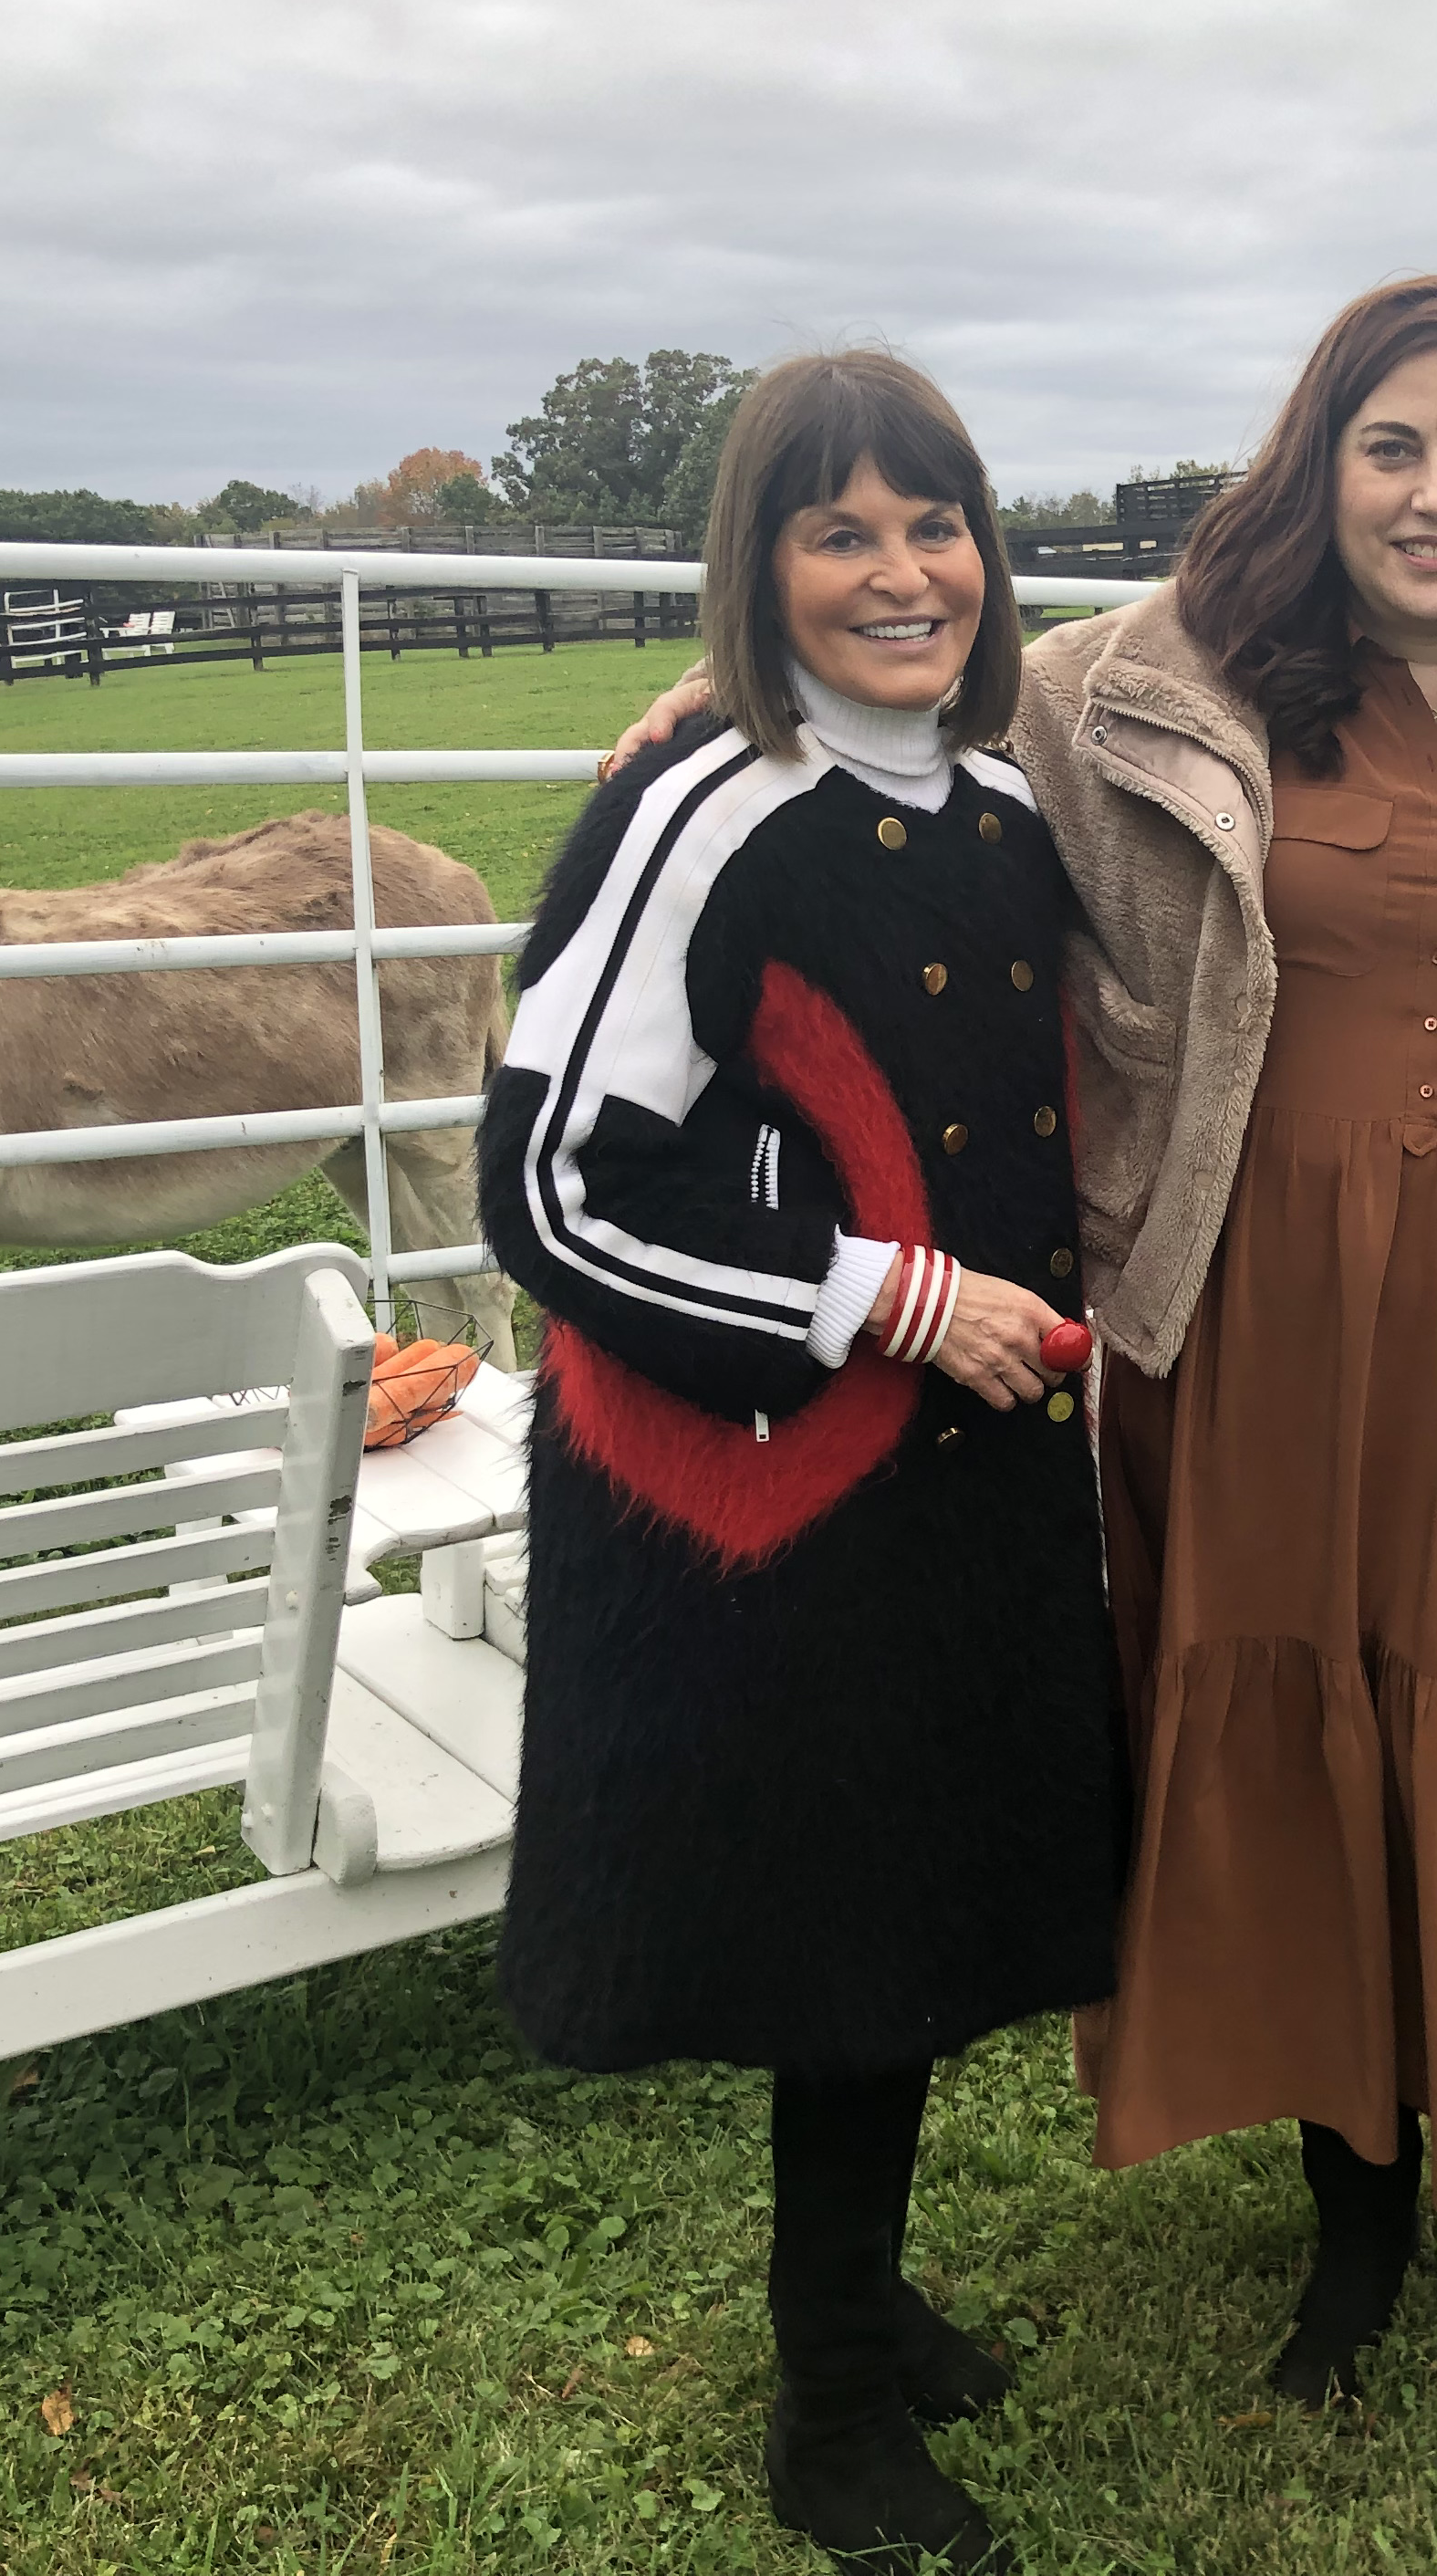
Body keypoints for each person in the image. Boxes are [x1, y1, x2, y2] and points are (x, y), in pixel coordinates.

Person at [603, 278, 1437, 2450]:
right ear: (1321, 464)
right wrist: (719, 705)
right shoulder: (1152, 682)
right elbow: (912, 693)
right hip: (1249, 1302)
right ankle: (1355, 2211)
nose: (1435, 494)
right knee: (1296, 1724)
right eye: (1391, 447)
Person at [476, 349, 1123, 2574]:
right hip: (789, 1472)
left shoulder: (1010, 802)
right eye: (838, 532)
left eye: (935, 524)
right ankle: (828, 2406)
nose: (900, 572)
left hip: (977, 1482)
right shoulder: (696, 813)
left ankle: (861, 2300)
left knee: (912, 1900)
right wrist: (884, 1299)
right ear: (757, 568)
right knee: (837, 1928)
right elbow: (551, 1181)